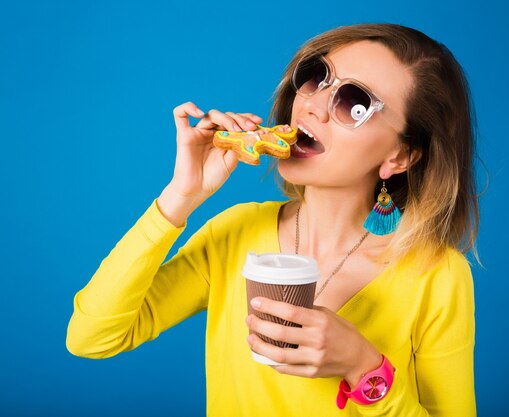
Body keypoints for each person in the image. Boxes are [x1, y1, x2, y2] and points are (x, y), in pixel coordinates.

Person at [66, 23, 480, 417]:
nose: (313, 105)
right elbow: (91, 337)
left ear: (400, 156)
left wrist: (362, 365)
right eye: (318, 77)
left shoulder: (438, 276)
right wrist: (181, 196)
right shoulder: (237, 232)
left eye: (354, 103)